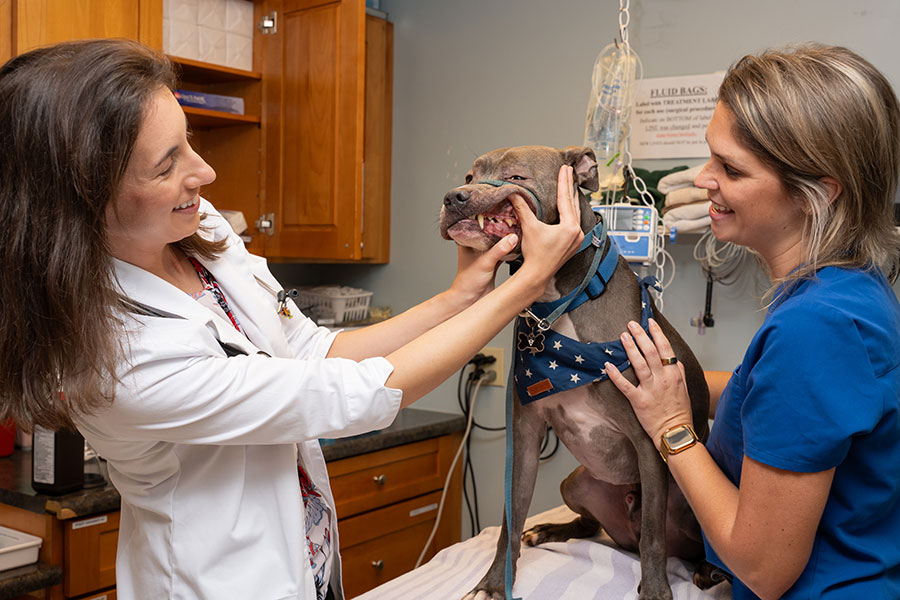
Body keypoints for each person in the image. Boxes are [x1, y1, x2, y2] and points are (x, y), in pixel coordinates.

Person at [0, 39, 584, 600]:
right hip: (223, 584)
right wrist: (526, 284)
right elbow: (353, 394)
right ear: (81, 200)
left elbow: (309, 351)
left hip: (307, 559)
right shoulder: (120, 359)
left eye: (189, 141)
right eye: (166, 164)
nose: (204, 173)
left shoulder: (198, 227)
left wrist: (458, 296)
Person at [606, 44, 900, 599]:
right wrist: (666, 383)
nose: (704, 178)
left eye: (731, 169)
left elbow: (764, 570)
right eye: (710, 157)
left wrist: (671, 427)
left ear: (818, 193)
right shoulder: (852, 289)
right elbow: (777, 400)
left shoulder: (815, 330)